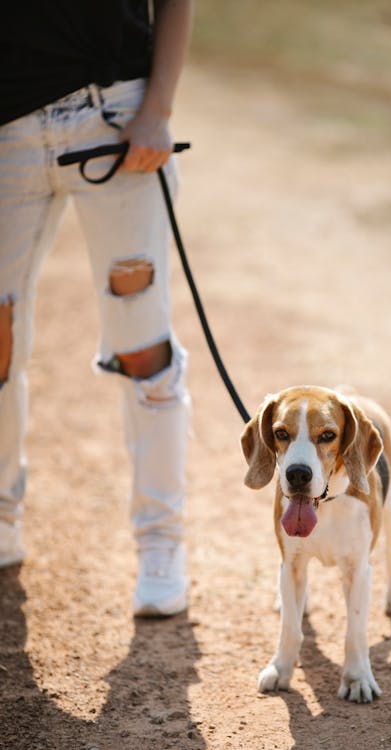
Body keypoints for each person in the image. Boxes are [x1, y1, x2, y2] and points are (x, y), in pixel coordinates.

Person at [0, 0, 193, 617]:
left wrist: (158, 109)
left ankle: (161, 545)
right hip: (6, 137)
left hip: (115, 120)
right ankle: (2, 518)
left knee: (143, 345)